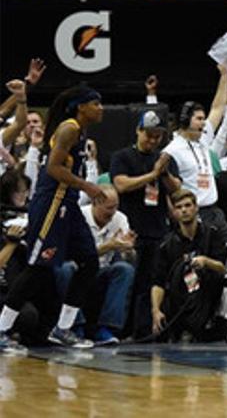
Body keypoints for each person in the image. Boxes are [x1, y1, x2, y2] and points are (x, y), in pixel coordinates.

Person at [0, 84, 105, 353]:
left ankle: (63, 328)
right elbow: (54, 168)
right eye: (96, 103)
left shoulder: (80, 130)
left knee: (90, 261)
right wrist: (88, 187)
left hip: (67, 204)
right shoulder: (68, 128)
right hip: (51, 204)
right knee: (38, 267)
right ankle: (1, 329)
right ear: (82, 107)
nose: (101, 108)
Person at [109, 110, 180, 338]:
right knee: (129, 280)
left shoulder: (163, 159)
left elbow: (176, 188)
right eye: (148, 135)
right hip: (131, 229)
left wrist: (164, 173)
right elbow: (121, 185)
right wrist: (152, 175)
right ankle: (119, 329)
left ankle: (142, 330)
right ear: (138, 131)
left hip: (157, 229)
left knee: (150, 284)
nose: (152, 141)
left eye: (157, 137)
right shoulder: (122, 157)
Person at [150, 189, 227, 342]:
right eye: (179, 207)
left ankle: (200, 326)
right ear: (174, 212)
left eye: (188, 205)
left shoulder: (213, 234)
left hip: (207, 290)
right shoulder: (166, 244)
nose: (184, 210)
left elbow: (223, 268)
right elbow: (158, 282)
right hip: (179, 295)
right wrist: (156, 310)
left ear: (196, 208)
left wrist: (205, 261)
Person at [54, 185, 135, 345]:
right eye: (109, 208)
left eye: (116, 207)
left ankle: (107, 328)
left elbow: (127, 255)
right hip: (78, 269)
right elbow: (71, 255)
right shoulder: (78, 217)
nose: (112, 213)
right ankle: (74, 325)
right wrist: (108, 246)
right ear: (95, 203)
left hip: (101, 271)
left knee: (125, 269)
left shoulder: (120, 219)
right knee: (65, 269)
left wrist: (128, 250)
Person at [160, 64, 227, 231]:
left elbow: (218, 108)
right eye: (199, 119)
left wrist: (224, 77)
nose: (203, 123)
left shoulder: (203, 136)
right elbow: (168, 189)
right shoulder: (172, 150)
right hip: (193, 213)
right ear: (185, 120)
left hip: (213, 209)